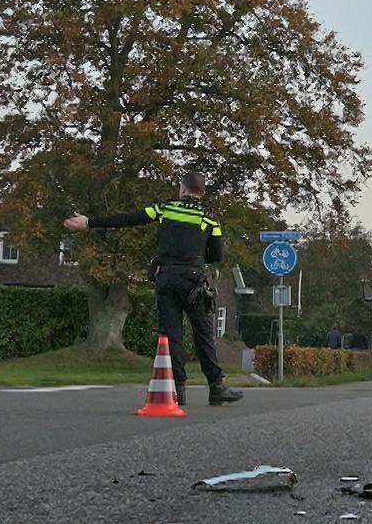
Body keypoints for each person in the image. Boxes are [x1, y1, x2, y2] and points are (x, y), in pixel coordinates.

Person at [62, 171, 243, 407]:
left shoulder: (165, 209)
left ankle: (178, 390)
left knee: (171, 335)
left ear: (183, 189)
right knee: (203, 333)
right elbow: (217, 255)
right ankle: (216, 388)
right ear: (202, 192)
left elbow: (129, 219)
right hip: (193, 280)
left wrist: (89, 222)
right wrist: (197, 256)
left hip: (166, 278)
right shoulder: (209, 218)